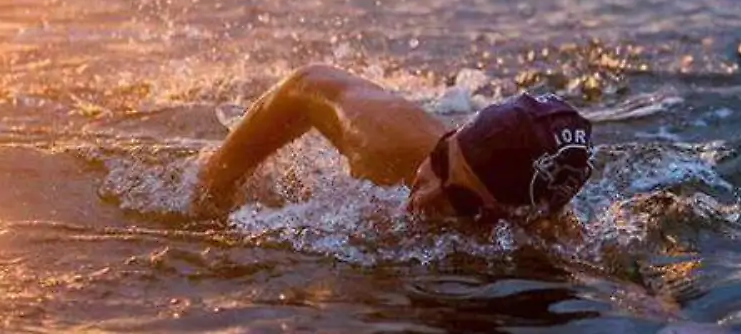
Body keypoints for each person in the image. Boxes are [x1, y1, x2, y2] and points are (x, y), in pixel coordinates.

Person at [194, 64, 594, 221]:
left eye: (461, 200)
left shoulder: (542, 238)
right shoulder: (388, 148)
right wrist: (214, 184)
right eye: (441, 159)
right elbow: (307, 83)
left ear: (510, 216)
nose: (426, 193)